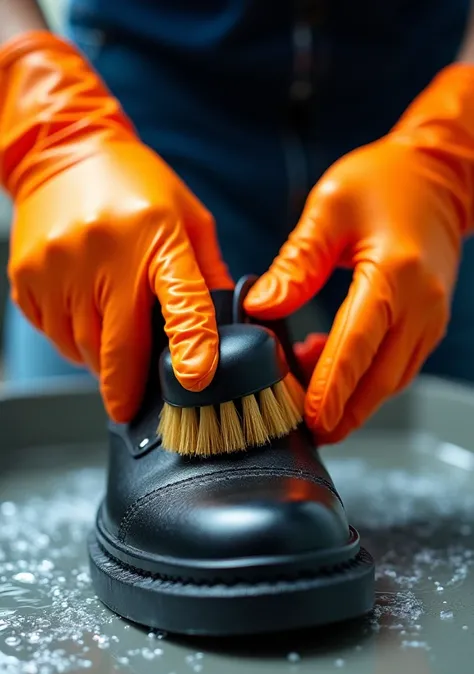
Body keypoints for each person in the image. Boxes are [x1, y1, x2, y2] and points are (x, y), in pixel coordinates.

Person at [1, 0, 473, 443]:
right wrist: (49, 129)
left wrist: (452, 150)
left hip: (419, 107)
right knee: (67, 435)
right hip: (142, 114)